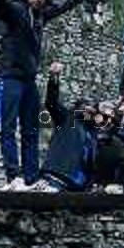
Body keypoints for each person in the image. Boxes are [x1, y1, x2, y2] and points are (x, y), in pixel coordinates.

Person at [0, 0, 108, 191]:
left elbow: (65, 3)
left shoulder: (41, 16)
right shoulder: (16, 10)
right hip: (10, 76)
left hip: (29, 79)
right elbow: (1, 9)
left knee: (31, 129)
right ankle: (13, 177)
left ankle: (31, 177)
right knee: (7, 127)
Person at [30, 62, 98, 193]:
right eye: (85, 108)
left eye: (92, 110)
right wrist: (54, 77)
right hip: (55, 178)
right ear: (77, 109)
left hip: (77, 187)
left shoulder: (92, 134)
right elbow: (51, 103)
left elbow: (91, 163)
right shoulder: (67, 119)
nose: (89, 111)